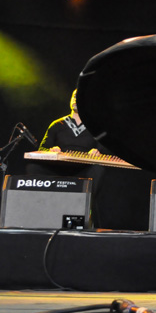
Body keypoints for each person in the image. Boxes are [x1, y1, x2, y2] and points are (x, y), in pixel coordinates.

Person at [27, 89, 108, 227]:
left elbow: (103, 149)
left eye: (79, 97)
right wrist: (52, 150)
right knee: (33, 167)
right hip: (59, 169)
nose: (75, 99)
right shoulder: (57, 124)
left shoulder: (94, 126)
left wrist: (97, 151)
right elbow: (42, 149)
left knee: (99, 169)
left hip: (84, 170)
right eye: (73, 97)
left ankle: (85, 210)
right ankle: (42, 211)